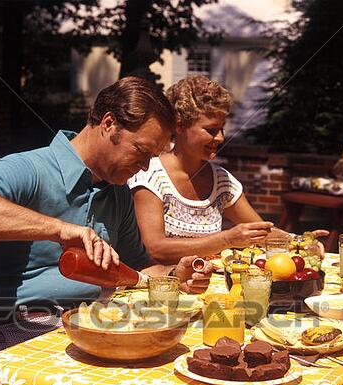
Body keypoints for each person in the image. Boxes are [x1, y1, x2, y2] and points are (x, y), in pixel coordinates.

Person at [0, 77, 213, 362]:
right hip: (17, 328)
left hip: (91, 325)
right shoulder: (30, 168)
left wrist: (173, 277)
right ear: (109, 124)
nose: (145, 167)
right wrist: (59, 230)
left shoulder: (118, 192)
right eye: (141, 151)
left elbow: (137, 268)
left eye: (152, 157)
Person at [128, 75, 327, 264]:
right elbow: (155, 248)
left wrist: (300, 242)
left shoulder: (222, 182)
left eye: (222, 128)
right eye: (211, 130)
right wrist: (226, 240)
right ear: (179, 126)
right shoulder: (149, 175)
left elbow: (260, 232)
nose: (221, 137)